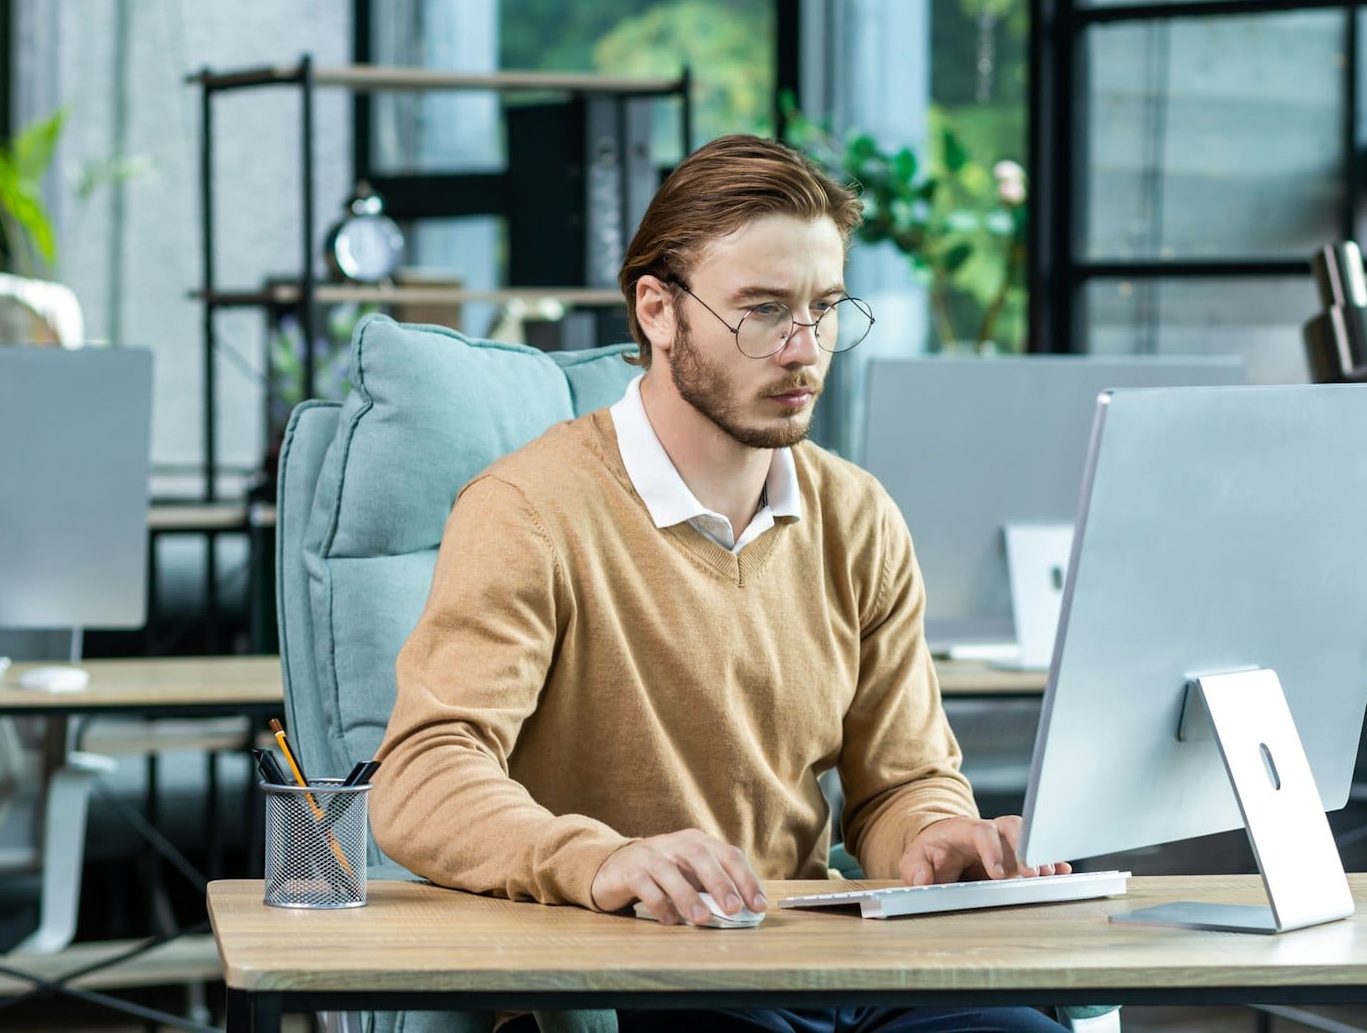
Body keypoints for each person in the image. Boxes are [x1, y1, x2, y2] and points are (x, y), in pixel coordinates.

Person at [372, 135, 1069, 1033]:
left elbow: (901, 784)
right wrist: (602, 860)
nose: (804, 350)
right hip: (645, 971)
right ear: (658, 311)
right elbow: (423, 776)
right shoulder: (528, 511)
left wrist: (934, 839)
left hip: (826, 959)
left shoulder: (858, 515)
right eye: (764, 311)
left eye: (824, 309)